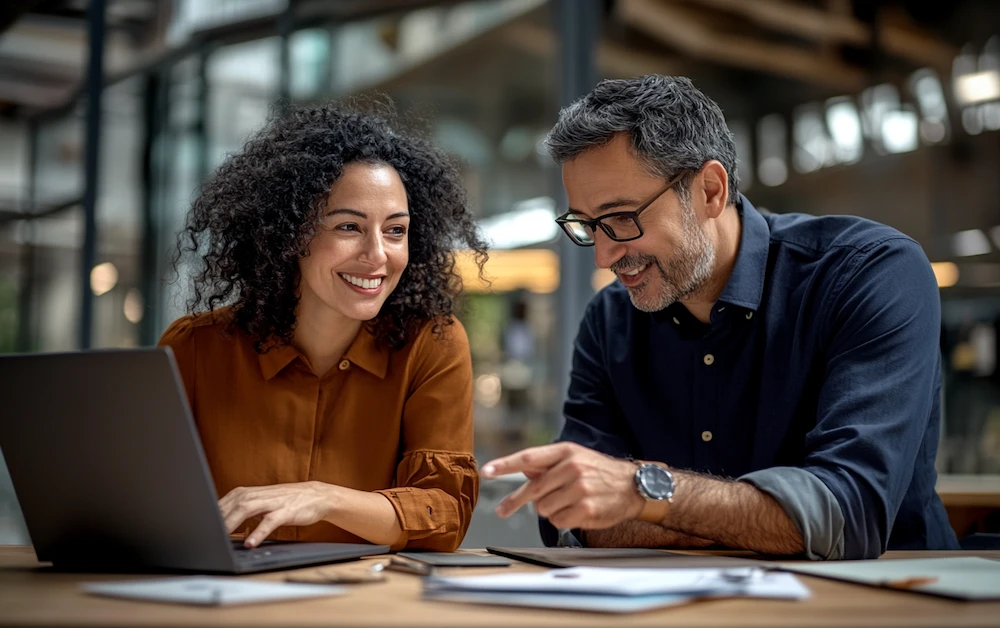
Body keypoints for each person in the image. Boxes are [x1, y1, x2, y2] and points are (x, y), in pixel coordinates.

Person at [481, 75, 959, 559]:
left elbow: (847, 514)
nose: (603, 256)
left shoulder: (869, 275)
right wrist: (750, 520)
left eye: (622, 217)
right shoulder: (610, 322)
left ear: (710, 190)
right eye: (586, 226)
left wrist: (642, 493)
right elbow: (572, 514)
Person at [159, 102, 488, 552]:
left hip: (365, 609)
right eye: (349, 226)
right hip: (224, 604)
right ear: (290, 234)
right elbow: (148, 505)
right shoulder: (194, 348)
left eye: (395, 230)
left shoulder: (431, 344)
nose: (377, 255)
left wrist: (324, 498)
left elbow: (444, 515)